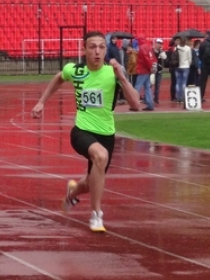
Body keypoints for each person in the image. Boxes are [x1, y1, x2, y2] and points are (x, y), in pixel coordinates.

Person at [31, 31, 140, 233]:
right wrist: (41, 102)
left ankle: (72, 194)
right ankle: (96, 214)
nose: (97, 51)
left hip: (106, 134)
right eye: (92, 47)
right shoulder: (75, 70)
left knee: (91, 183)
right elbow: (58, 78)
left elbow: (136, 105)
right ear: (84, 50)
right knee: (100, 155)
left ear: (106, 50)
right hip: (81, 131)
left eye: (101, 47)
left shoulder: (112, 73)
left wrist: (122, 78)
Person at [134, 38, 155, 111]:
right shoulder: (148, 46)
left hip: (142, 70)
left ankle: (134, 105)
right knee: (147, 88)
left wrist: (149, 67)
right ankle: (150, 104)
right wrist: (151, 67)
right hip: (147, 70)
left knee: (137, 87)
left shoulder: (142, 48)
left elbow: (146, 59)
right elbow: (151, 58)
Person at [174, 37, 192, 104]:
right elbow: (189, 58)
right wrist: (188, 65)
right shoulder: (188, 49)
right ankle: (183, 98)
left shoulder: (176, 48)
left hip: (178, 66)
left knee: (178, 83)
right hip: (185, 66)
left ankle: (178, 98)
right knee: (184, 83)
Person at [153, 38, 166, 105]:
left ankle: (156, 98)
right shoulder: (152, 51)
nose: (159, 45)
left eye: (160, 44)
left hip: (159, 71)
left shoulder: (161, 52)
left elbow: (165, 57)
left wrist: (161, 51)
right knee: (150, 84)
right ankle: (148, 98)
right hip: (152, 71)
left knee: (157, 85)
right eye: (158, 43)